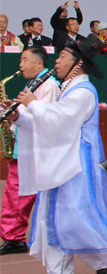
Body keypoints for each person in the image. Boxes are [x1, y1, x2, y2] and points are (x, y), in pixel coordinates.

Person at [8, 35, 107, 274]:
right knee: (51, 218)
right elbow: (45, 122)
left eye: (62, 56)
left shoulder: (83, 91)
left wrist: (33, 104)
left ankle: (105, 261)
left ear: (78, 64)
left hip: (77, 163)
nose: (58, 61)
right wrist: (20, 117)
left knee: (72, 217)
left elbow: (59, 120)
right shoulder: (68, 89)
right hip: (60, 161)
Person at [0, 47, 60, 255]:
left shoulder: (49, 85)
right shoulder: (35, 83)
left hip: (35, 147)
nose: (21, 65)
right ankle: (13, 235)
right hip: (27, 144)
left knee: (19, 193)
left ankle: (14, 236)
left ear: (39, 63)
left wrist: (18, 114)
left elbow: (43, 116)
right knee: (17, 192)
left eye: (25, 60)